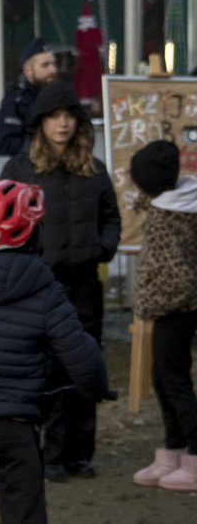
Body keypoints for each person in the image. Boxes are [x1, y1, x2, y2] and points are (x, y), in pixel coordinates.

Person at [0, 179, 109, 524]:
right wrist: (95, 389)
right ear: (33, 233)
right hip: (12, 422)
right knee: (23, 512)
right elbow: (79, 351)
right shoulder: (46, 289)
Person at [0, 81, 121, 481]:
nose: (63, 124)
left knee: (85, 367)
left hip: (85, 285)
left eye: (69, 116)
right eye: (54, 117)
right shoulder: (19, 169)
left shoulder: (95, 169)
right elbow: (4, 219)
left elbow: (111, 217)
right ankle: (48, 455)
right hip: (40, 286)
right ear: (41, 123)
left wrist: (102, 247)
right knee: (46, 369)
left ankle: (79, 453)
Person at [129, 141, 197, 490]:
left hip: (176, 308)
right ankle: (173, 450)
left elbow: (178, 275)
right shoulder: (174, 200)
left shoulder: (173, 216)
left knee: (176, 382)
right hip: (171, 308)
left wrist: (155, 301)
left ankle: (194, 457)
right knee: (162, 379)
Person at [0, 39, 58, 156]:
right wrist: (42, 143)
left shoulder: (61, 97)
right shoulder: (17, 101)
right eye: (45, 65)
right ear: (27, 71)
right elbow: (2, 145)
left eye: (54, 64)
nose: (53, 70)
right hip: (29, 170)